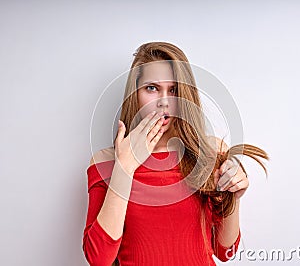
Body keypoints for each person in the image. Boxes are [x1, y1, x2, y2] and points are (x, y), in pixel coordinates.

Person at [82, 42, 269, 266]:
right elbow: (99, 259)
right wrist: (125, 167)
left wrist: (233, 197)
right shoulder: (107, 162)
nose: (164, 101)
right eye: (152, 88)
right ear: (135, 93)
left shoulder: (210, 151)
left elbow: (225, 251)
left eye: (174, 90)